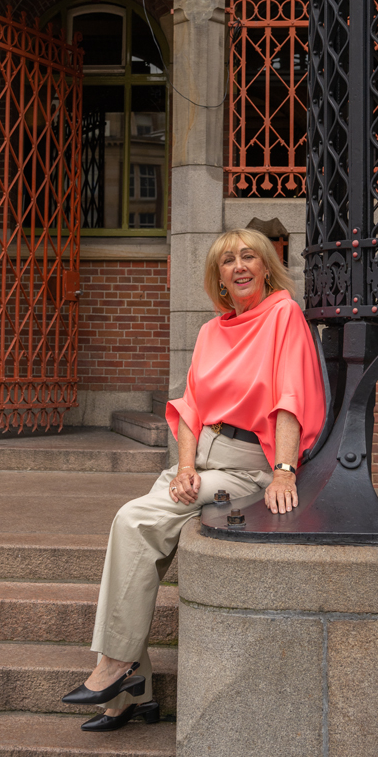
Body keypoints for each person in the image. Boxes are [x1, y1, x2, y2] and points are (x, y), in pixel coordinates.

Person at [62, 228, 325, 731]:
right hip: (198, 460)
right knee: (130, 527)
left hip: (246, 466)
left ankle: (118, 671)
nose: (240, 266)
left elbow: (289, 398)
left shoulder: (283, 315)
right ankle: (131, 692)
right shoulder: (210, 332)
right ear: (218, 277)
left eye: (249, 257)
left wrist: (284, 471)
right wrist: (184, 468)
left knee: (135, 519)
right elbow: (190, 410)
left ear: (267, 266)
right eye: (228, 261)